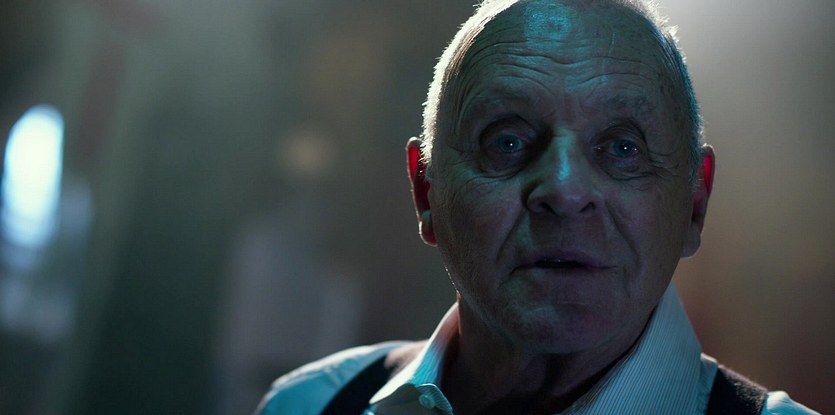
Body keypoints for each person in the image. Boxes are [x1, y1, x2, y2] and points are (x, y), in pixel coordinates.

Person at [255, 0, 819, 413]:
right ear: (426, 192)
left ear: (695, 203)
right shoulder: (306, 406)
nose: (565, 192)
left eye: (622, 148)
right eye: (507, 141)